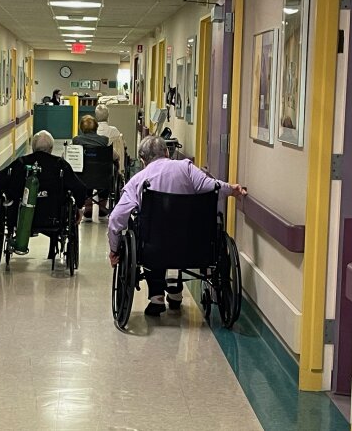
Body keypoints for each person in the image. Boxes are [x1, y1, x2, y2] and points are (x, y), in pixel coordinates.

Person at [107, 136, 247, 317]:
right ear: (167, 152)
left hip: (153, 248)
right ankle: (174, 292)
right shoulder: (186, 168)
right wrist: (232, 189)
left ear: (143, 160)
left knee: (144, 229)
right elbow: (212, 188)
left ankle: (157, 296)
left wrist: (114, 249)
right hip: (194, 245)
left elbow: (116, 219)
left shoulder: (138, 181)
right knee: (178, 231)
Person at [0, 130, 86, 259]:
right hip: (54, 217)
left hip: (19, 218)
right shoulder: (60, 165)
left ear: (33, 147)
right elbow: (79, 188)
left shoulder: (20, 164)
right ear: (51, 149)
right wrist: (79, 207)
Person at [73, 115, 114, 219]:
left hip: (83, 178)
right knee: (106, 172)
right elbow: (115, 156)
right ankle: (102, 205)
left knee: (84, 173)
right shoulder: (104, 141)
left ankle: (88, 205)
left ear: (81, 128)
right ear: (96, 127)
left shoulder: (76, 141)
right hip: (102, 177)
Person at [95, 104, 126, 175]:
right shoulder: (114, 131)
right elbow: (122, 144)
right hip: (109, 166)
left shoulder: (93, 132)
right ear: (108, 117)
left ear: (96, 117)